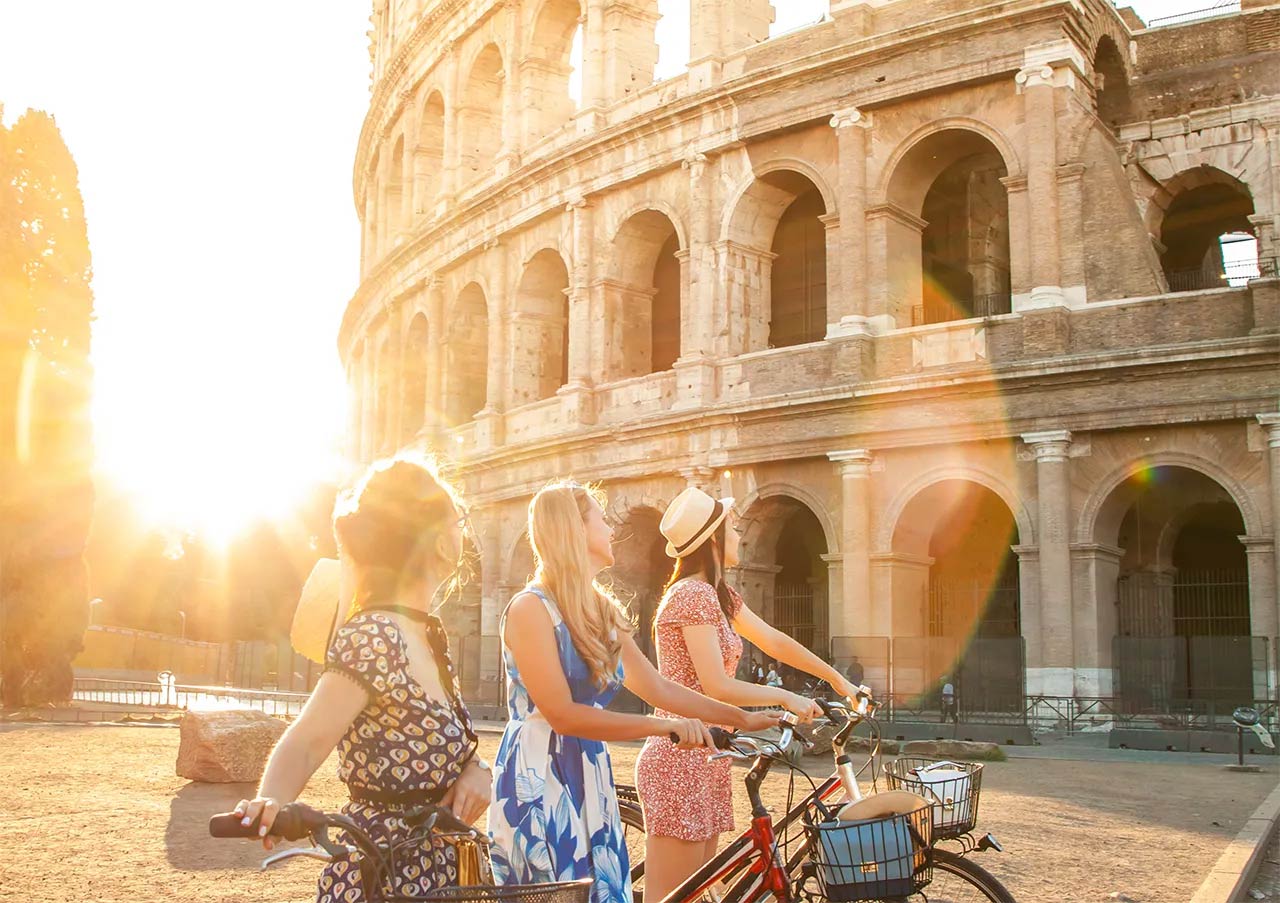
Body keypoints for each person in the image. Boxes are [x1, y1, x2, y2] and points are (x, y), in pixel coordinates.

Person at [489, 481, 777, 903]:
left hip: (588, 767)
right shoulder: (530, 608)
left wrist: (742, 717)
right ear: (575, 530)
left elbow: (657, 686)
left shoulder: (600, 608)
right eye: (600, 519)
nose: (610, 529)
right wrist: (664, 728)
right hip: (539, 772)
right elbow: (562, 714)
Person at [233, 458, 490, 902]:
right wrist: (271, 800)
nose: (463, 532)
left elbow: (442, 744)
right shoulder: (374, 635)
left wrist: (475, 769)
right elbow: (309, 739)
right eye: (458, 520)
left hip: (440, 866)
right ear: (436, 540)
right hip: (387, 870)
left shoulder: (427, 634)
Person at [635, 487, 865, 903]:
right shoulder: (691, 595)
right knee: (670, 898)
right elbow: (716, 686)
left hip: (707, 753)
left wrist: (837, 679)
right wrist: (784, 698)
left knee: (696, 892)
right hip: (679, 755)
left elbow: (775, 641)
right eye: (730, 527)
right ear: (712, 540)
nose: (739, 533)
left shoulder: (719, 596)